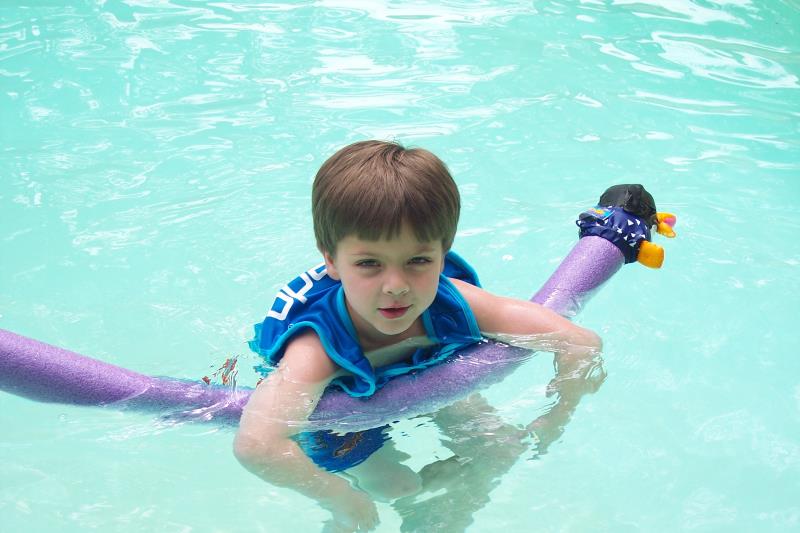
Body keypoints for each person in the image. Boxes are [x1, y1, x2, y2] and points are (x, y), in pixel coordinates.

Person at [233, 140, 603, 532]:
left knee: (500, 450)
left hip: (419, 371)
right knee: (396, 487)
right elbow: (256, 446)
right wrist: (341, 499)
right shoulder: (317, 349)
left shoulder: (452, 301)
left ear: (443, 255)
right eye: (369, 264)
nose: (396, 286)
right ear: (331, 261)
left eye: (418, 261)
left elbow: (579, 342)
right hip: (340, 409)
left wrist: (558, 414)